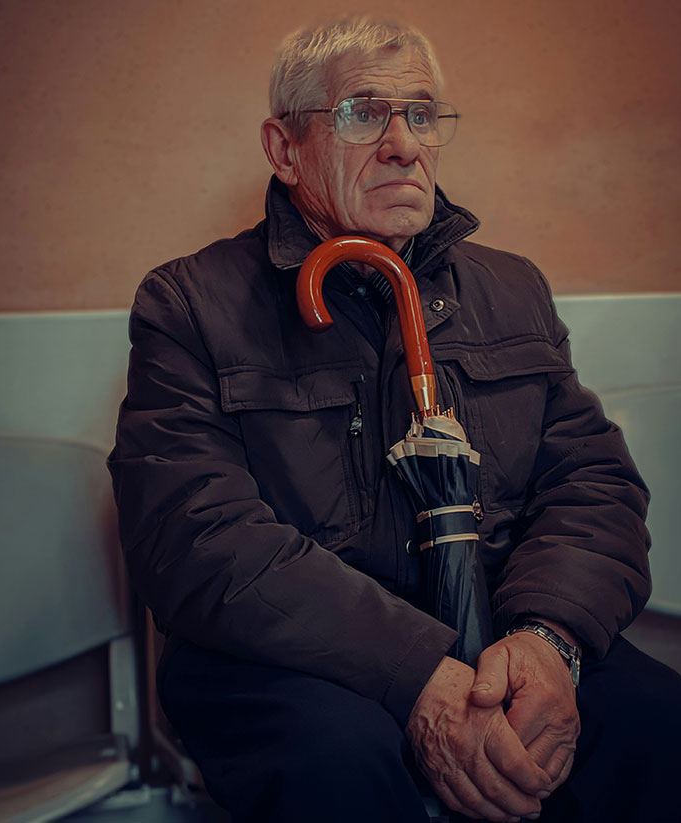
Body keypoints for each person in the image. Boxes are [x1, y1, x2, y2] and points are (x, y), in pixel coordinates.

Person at [108, 16, 681, 823]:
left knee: (660, 725)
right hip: (291, 664)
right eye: (364, 114)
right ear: (284, 149)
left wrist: (548, 642)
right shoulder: (189, 305)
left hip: (502, 636)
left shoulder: (511, 289)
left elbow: (593, 485)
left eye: (420, 114)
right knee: (336, 768)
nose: (404, 144)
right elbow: (196, 536)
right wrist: (416, 670)